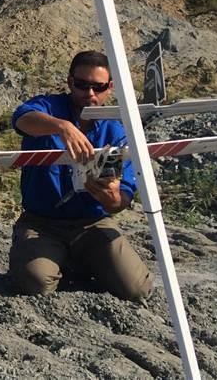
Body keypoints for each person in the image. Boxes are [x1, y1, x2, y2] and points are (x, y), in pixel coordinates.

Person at [8, 50, 153, 301]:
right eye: (81, 85)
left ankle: (81, 260)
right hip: (42, 223)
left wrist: (111, 198)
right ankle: (52, 257)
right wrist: (61, 126)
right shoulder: (49, 107)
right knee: (36, 284)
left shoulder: (116, 130)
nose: (89, 94)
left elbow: (123, 199)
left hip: (92, 223)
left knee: (137, 289)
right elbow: (22, 119)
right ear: (69, 82)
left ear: (110, 87)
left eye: (98, 87)